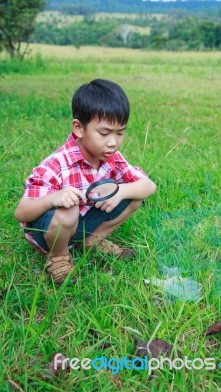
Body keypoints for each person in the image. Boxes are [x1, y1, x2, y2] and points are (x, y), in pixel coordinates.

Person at [14, 79, 156, 284]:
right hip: (48, 233)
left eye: (120, 132)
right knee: (69, 207)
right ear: (79, 128)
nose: (113, 142)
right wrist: (53, 199)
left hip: (80, 223)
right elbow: (21, 212)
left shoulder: (112, 157)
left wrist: (122, 191)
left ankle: (92, 241)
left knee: (135, 196)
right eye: (104, 133)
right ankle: (59, 256)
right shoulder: (56, 164)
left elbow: (149, 186)